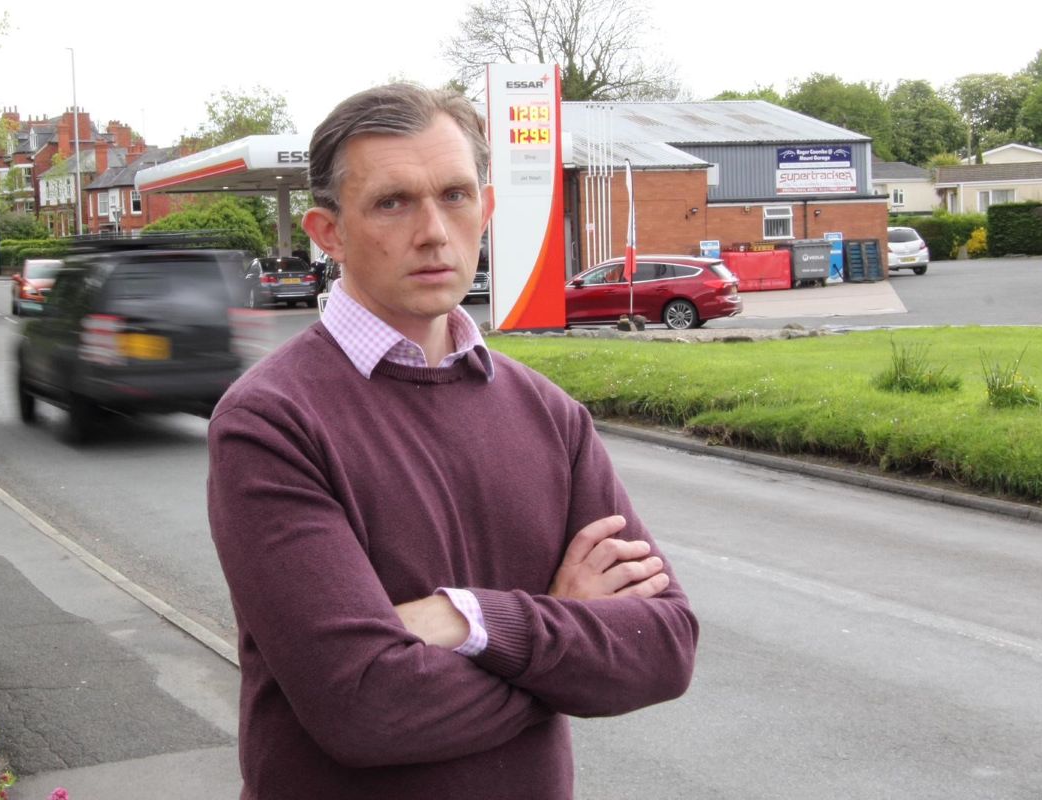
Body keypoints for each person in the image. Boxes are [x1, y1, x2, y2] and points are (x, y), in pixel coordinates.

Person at [207, 83, 698, 800]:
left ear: (486, 209)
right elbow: (367, 708)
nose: (434, 231)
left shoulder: (551, 415)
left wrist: (470, 619)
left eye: (456, 195)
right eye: (392, 202)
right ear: (328, 232)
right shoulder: (271, 423)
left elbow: (666, 647)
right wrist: (560, 636)